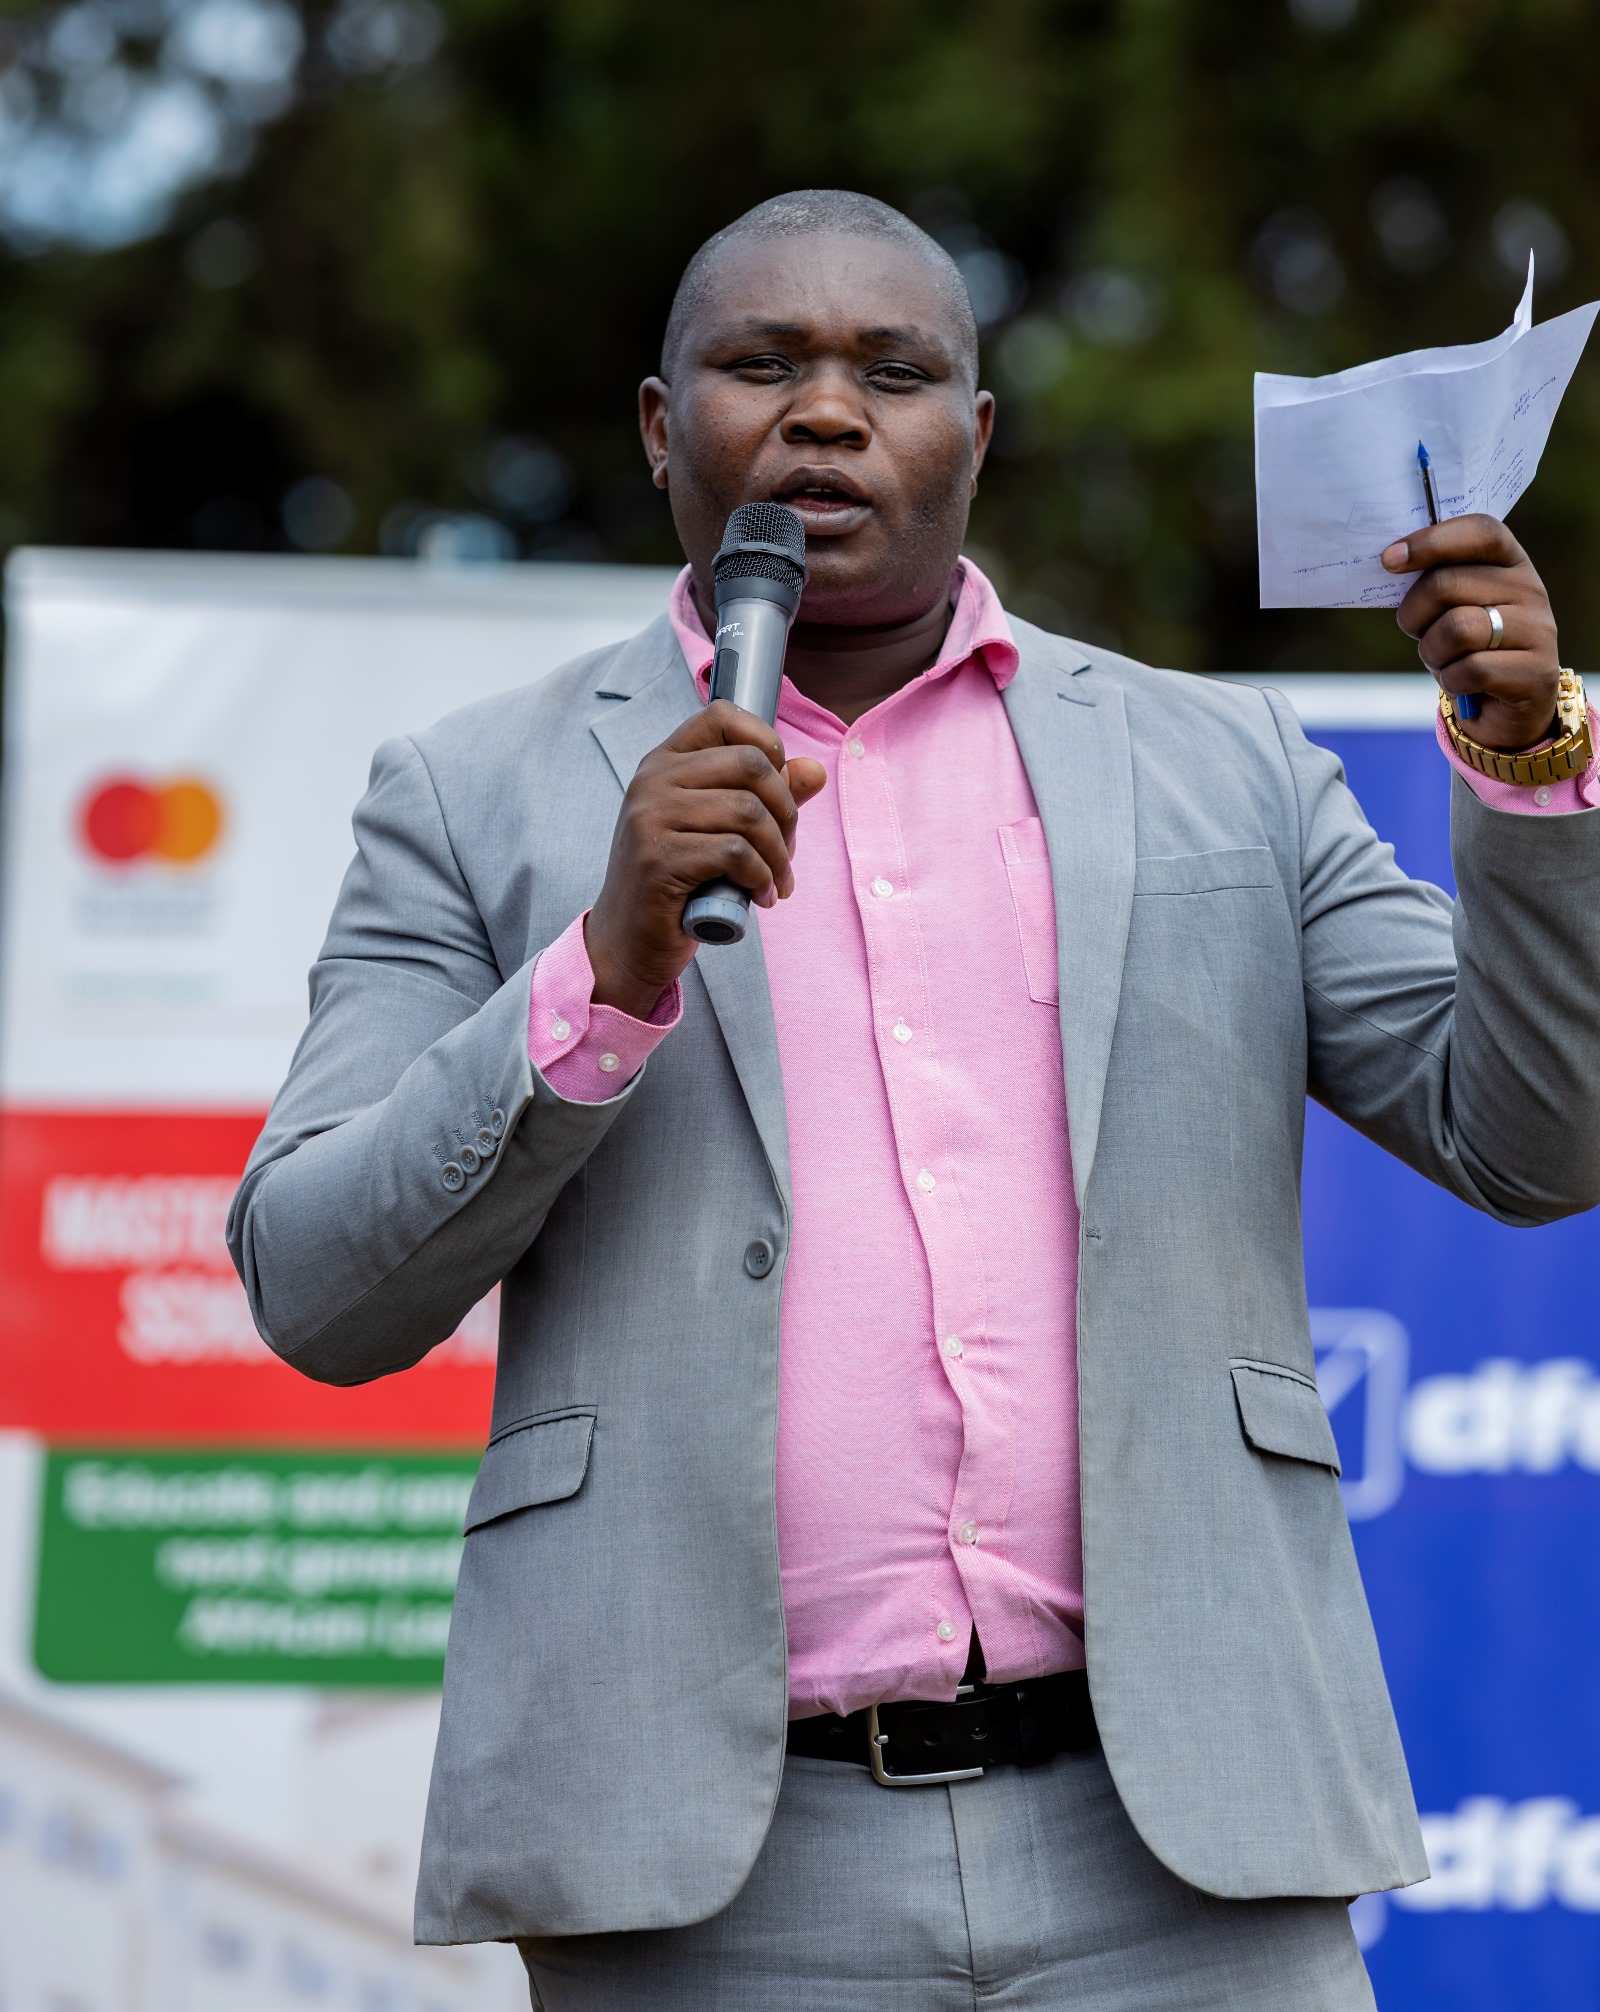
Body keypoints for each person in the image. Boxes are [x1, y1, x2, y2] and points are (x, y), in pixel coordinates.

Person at [228, 191, 1600, 2010]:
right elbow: (316, 1284)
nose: (824, 413)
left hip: (1188, 1839)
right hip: (711, 1873)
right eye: (760, 364)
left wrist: (1527, 776)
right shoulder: (473, 795)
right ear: (661, 428)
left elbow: (1536, 1139)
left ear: (975, 435)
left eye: (894, 371)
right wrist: (599, 982)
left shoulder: (1227, 767)